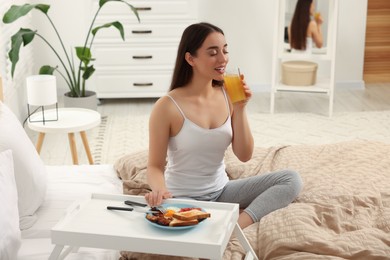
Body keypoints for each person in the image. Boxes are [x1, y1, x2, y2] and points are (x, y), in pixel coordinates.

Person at [144, 22, 303, 229]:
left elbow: (244, 155)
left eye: (225, 50)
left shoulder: (228, 94)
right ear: (190, 58)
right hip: (182, 198)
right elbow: (155, 166)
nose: (223, 59)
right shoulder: (166, 107)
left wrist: (241, 107)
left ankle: (235, 226)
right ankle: (214, 222)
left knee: (291, 180)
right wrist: (159, 190)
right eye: (213, 53)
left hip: (221, 192)